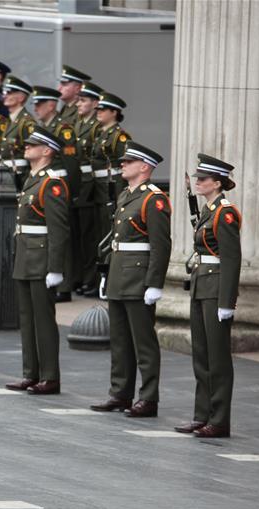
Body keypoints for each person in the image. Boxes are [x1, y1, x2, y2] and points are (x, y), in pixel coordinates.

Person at [90, 142, 169, 414]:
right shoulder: (126, 196)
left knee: (143, 342)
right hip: (119, 274)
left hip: (138, 278)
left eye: (129, 162)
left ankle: (148, 397)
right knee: (120, 339)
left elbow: (161, 245)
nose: (123, 165)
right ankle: (120, 393)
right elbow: (116, 242)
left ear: (144, 167)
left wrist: (155, 283)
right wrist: (106, 274)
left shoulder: (153, 199)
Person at [170, 155, 241, 430]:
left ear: (218, 183)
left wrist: (227, 301)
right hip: (201, 286)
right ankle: (202, 414)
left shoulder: (225, 213)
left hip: (215, 290)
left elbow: (232, 259)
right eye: (198, 179)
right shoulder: (209, 211)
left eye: (203, 179)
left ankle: (219, 419)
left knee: (218, 358)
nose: (198, 183)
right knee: (201, 355)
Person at [6, 126, 70, 395]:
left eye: (32, 145)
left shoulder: (51, 183)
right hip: (25, 256)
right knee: (27, 318)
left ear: (46, 151)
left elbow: (59, 229)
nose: (26, 148)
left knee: (43, 319)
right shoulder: (32, 179)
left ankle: (49, 376)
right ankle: (30, 372)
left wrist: (55, 267)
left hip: (41, 259)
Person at [32, 85, 79, 303]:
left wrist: (72, 193)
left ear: (52, 105)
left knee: (60, 234)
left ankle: (65, 284)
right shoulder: (42, 126)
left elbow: (71, 163)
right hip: (44, 185)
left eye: (40, 104)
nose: (36, 108)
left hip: (60, 185)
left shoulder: (63, 128)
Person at [73, 81, 104, 297]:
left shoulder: (96, 128)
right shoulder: (77, 124)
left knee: (91, 237)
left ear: (94, 103)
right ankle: (81, 277)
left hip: (92, 190)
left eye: (83, 100)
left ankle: (91, 279)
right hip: (79, 187)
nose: (78, 104)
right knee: (80, 239)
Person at [90, 93, 128, 243]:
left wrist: (118, 195)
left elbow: (124, 167)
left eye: (103, 109)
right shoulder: (100, 134)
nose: (98, 112)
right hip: (99, 188)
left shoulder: (119, 137)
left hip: (111, 188)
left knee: (108, 228)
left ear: (114, 112)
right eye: (98, 109)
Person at [0, 75, 36, 186]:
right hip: (8, 178)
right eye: (5, 93)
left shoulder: (26, 122)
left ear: (21, 98)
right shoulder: (11, 120)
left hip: (21, 178)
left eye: (9, 93)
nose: (5, 96)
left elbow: (33, 155)